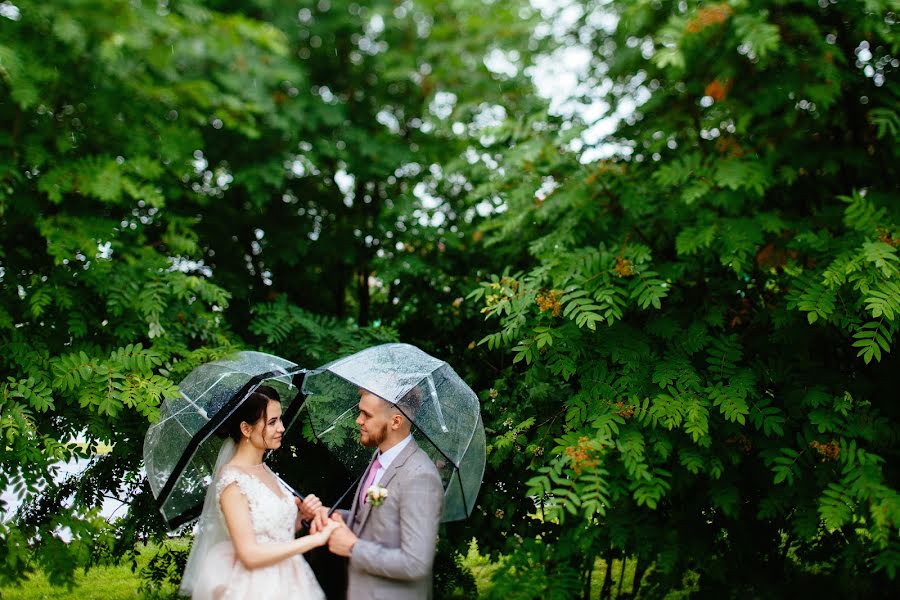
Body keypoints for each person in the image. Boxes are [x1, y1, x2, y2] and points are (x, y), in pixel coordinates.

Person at [180, 385, 339, 599]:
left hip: (291, 580)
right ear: (246, 429)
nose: (281, 428)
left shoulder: (264, 469)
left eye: (280, 419)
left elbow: (271, 533)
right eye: (272, 422)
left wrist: (301, 517)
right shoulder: (232, 482)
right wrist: (314, 540)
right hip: (258, 587)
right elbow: (250, 554)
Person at [316, 386, 444, 600]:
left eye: (366, 415)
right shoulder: (380, 457)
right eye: (360, 412)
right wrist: (330, 514)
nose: (358, 420)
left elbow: (415, 564)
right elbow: (373, 522)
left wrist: (352, 547)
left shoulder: (420, 477)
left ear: (395, 422)